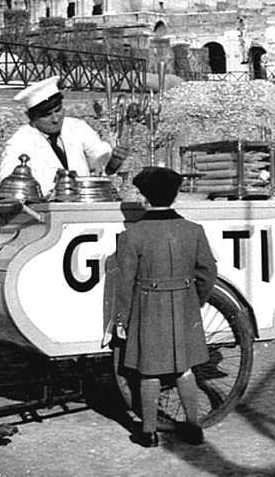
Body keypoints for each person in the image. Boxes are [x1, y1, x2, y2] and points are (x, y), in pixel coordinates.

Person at [113, 167, 218, 448]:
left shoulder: (131, 235)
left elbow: (124, 283)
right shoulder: (194, 231)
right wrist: (195, 301)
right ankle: (194, 427)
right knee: (184, 369)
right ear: (174, 196)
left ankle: (148, 433)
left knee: (149, 371)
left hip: (148, 307)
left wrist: (122, 320)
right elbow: (208, 273)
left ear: (145, 198)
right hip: (184, 305)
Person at [0, 76, 128, 197]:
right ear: (32, 118)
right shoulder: (19, 142)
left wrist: (114, 160)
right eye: (47, 115)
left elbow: (102, 159)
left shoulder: (76, 127)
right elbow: (8, 185)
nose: (56, 119)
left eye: (58, 110)